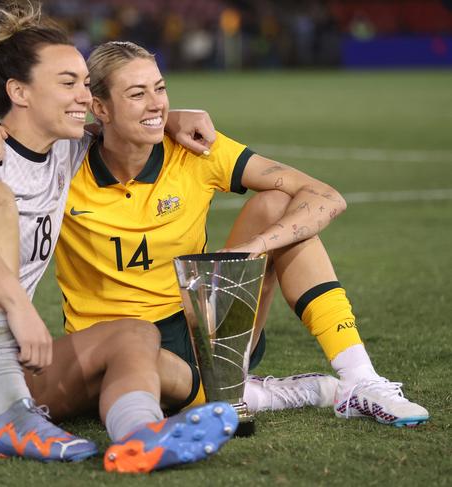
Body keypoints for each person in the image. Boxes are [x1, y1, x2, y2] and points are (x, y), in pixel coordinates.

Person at [0, 3, 239, 474]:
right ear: (19, 91)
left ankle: (141, 437)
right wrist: (18, 305)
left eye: (86, 83)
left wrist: (168, 115)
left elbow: (122, 124)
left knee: (136, 335)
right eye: (68, 82)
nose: (85, 95)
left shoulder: (69, 150)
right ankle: (14, 417)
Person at [54, 40, 427, 427]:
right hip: (112, 345)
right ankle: (245, 393)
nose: (156, 103)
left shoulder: (195, 152)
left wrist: (254, 248)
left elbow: (325, 197)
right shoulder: (63, 163)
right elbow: (20, 137)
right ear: (99, 107)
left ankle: (360, 380)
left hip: (205, 329)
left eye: (160, 89)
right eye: (137, 93)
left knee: (276, 206)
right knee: (143, 365)